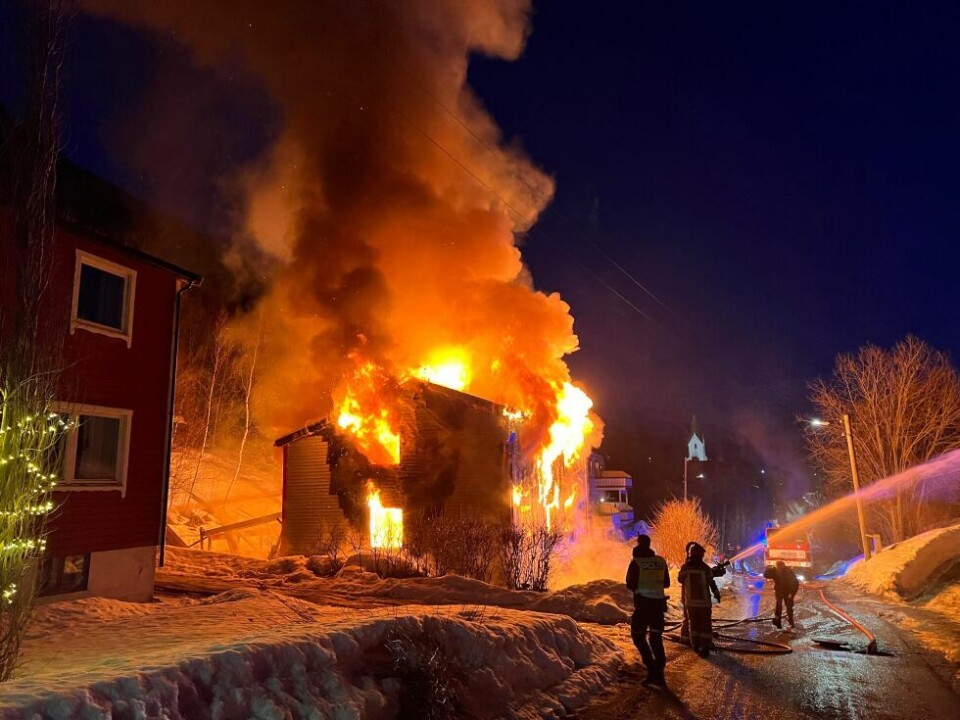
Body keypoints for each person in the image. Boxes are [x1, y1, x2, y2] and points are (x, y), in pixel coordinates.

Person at [625, 534, 670, 688]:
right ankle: (659, 673)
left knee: (638, 636)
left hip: (643, 606)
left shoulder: (636, 563)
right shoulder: (660, 561)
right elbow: (666, 583)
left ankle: (652, 670)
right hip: (658, 606)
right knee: (656, 639)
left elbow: (630, 584)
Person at [678, 542, 721, 657]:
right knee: (705, 626)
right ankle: (705, 647)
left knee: (694, 625)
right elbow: (712, 583)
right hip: (704, 603)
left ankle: (696, 645)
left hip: (691, 603)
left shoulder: (685, 568)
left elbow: (680, 579)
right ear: (701, 555)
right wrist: (717, 594)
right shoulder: (705, 568)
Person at [763, 560, 799, 629]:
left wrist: (769, 568)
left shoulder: (775, 571)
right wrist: (792, 593)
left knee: (779, 606)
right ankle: (790, 623)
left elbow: (765, 575)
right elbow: (796, 583)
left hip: (781, 591)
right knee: (788, 607)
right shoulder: (789, 571)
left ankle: (778, 622)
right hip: (787, 592)